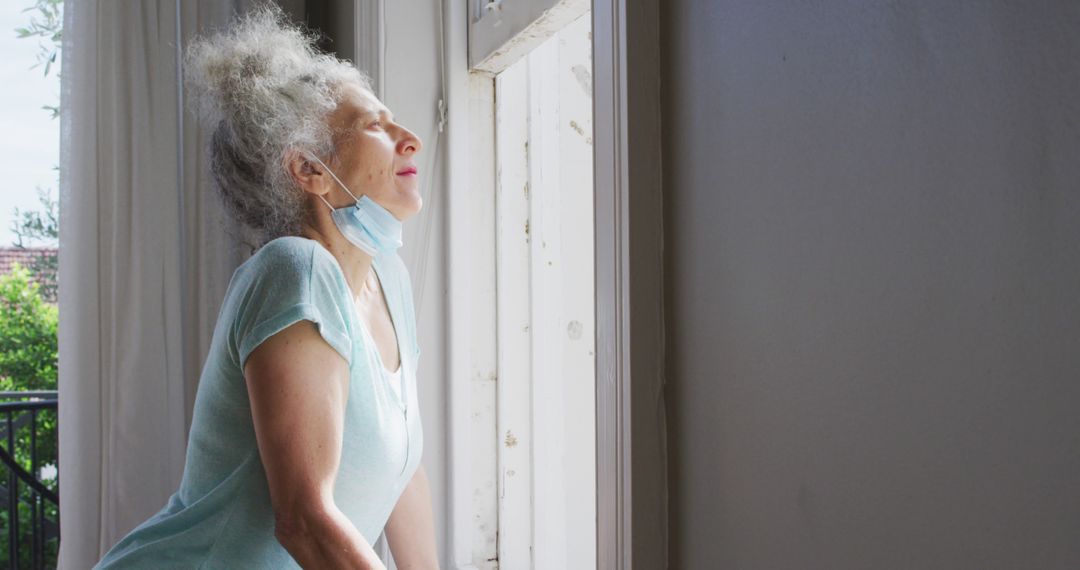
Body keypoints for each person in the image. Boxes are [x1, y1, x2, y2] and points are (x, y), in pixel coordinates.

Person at [94, 5, 437, 569]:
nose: (411, 139)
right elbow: (305, 519)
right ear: (309, 170)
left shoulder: (388, 281)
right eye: (376, 125)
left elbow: (403, 474)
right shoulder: (295, 270)